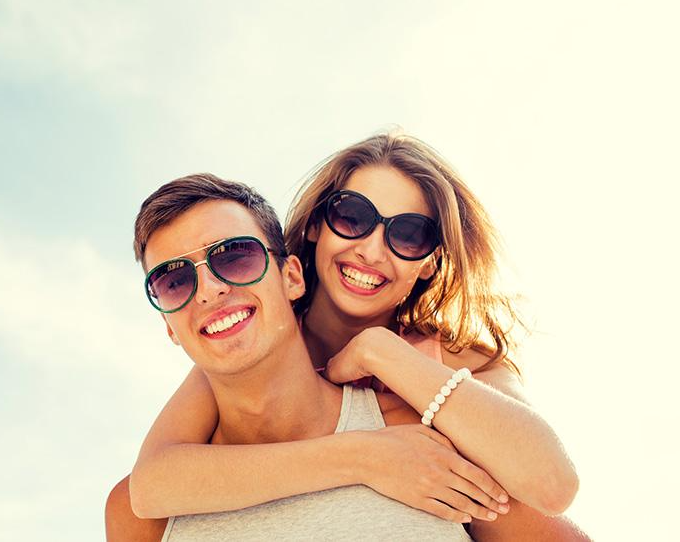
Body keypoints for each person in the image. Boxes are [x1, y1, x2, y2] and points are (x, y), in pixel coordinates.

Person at [106, 131, 587, 540]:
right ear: (316, 226)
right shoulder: (241, 332)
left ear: (429, 263)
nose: (371, 251)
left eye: (410, 234)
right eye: (353, 217)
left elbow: (551, 482)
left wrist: (384, 354)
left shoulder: (449, 373)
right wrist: (363, 456)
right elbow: (148, 486)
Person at [117, 173, 476, 540]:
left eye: (235, 257)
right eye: (173, 283)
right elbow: (146, 488)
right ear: (169, 327)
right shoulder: (141, 515)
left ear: (291, 277)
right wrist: (359, 456)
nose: (209, 292)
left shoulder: (432, 434)